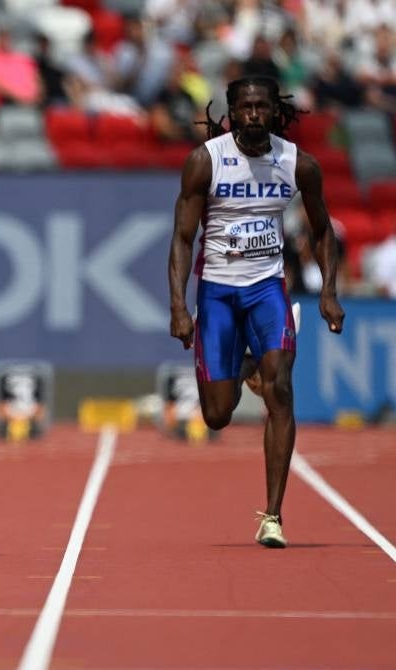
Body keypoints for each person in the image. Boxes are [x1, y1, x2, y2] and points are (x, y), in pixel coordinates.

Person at [167, 76, 345, 548]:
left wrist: (328, 290)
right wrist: (179, 306)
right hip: (218, 293)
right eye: (244, 107)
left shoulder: (297, 164)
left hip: (268, 289)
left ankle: (273, 515)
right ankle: (245, 365)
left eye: (260, 107)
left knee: (281, 390)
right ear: (231, 110)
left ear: (274, 111)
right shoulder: (205, 162)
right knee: (217, 416)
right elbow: (183, 238)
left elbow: (323, 231)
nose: (252, 115)